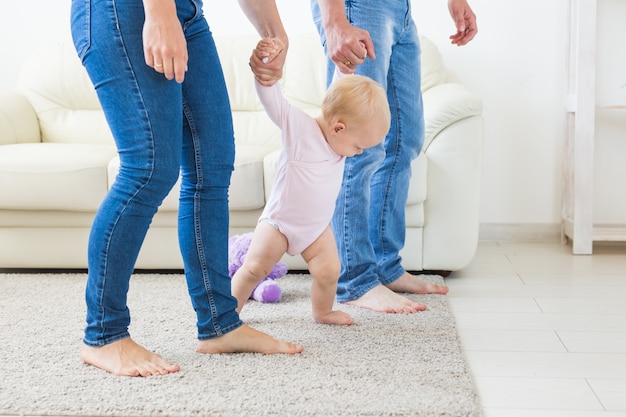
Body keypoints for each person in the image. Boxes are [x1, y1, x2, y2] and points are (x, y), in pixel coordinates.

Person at [69, 0, 304, 377]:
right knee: (148, 168)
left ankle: (219, 324)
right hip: (124, 9)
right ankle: (104, 334)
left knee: (211, 165)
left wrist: (275, 34)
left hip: (188, 12)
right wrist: (159, 14)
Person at [307, 0, 478, 313]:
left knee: (404, 140)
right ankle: (354, 281)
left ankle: (386, 265)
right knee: (359, 146)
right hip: (357, 7)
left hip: (401, 12)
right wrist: (334, 21)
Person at [231, 38, 391, 326]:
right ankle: (228, 314)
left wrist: (345, 68)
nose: (360, 152)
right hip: (279, 223)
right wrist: (266, 75)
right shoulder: (301, 129)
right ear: (338, 128)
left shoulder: (338, 135)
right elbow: (274, 103)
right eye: (359, 146)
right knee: (253, 268)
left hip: (316, 227)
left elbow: (340, 94)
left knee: (330, 270)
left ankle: (323, 312)